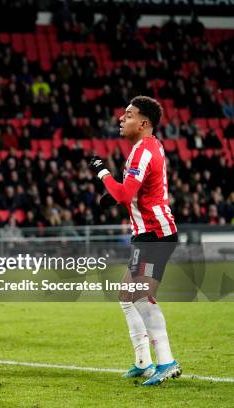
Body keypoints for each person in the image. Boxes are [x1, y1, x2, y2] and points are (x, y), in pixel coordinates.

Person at [88, 95, 181, 386]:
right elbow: (129, 191)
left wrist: (102, 173)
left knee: (140, 295)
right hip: (149, 232)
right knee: (126, 295)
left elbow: (125, 195)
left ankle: (166, 362)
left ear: (143, 123)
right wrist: (112, 192)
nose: (121, 118)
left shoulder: (143, 151)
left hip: (154, 233)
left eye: (128, 115)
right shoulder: (145, 147)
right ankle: (143, 361)